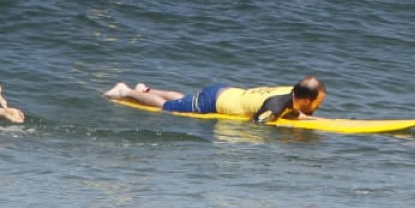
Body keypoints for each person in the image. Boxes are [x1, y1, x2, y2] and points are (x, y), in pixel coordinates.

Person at [103, 76, 324, 123]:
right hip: (212, 103)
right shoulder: (276, 105)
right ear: (305, 99)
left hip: (225, 92)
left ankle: (145, 90)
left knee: (185, 99)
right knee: (168, 106)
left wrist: (299, 115)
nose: (320, 105)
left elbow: (286, 106)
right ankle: (125, 91)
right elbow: (256, 125)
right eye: (318, 102)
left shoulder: (290, 92)